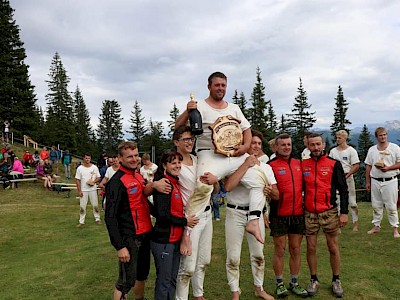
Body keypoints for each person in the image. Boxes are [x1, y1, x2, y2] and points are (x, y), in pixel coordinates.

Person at [175, 71, 268, 243]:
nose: (220, 88)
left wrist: (246, 146)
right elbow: (177, 127)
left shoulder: (234, 108)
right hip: (209, 153)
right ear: (209, 86)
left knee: (260, 179)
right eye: (217, 85)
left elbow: (246, 130)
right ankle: (188, 230)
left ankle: (254, 221)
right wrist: (188, 111)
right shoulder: (199, 106)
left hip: (235, 153)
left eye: (223, 85)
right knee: (203, 185)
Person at [105, 141, 167, 300]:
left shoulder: (139, 176)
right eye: (129, 157)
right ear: (119, 158)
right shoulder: (116, 182)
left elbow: (145, 202)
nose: (134, 159)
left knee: (142, 275)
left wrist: (163, 216)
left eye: (136, 155)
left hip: (146, 234)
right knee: (126, 280)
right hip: (130, 238)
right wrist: (120, 246)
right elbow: (110, 217)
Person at [223, 134, 278, 300]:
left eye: (259, 143)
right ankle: (235, 291)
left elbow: (276, 194)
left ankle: (259, 288)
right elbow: (228, 186)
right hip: (235, 212)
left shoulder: (266, 168)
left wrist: (270, 192)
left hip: (256, 214)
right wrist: (246, 165)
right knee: (233, 256)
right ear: (245, 145)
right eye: (252, 142)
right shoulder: (233, 163)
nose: (255, 146)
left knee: (258, 255)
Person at [174, 125, 219, 300]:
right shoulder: (175, 165)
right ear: (176, 142)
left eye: (191, 139)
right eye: (185, 139)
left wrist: (215, 181)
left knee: (204, 260)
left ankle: (198, 294)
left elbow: (214, 191)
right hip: (191, 218)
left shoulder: (199, 159)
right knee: (188, 267)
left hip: (207, 214)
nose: (189, 142)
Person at [302, 133, 349, 298]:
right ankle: (313, 279)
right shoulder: (304, 165)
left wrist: (344, 213)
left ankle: (336, 280)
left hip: (329, 211)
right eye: (312, 145)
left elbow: (343, 189)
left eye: (318, 144)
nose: (315, 148)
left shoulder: (334, 164)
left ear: (323, 145)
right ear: (308, 146)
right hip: (309, 212)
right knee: (311, 247)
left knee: (333, 247)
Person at [150, 151, 199, 300]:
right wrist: (185, 222)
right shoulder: (165, 183)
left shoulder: (175, 182)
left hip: (175, 240)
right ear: (165, 165)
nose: (177, 165)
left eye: (179, 162)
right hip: (164, 240)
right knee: (164, 281)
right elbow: (163, 215)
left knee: (172, 280)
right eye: (173, 163)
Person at [268, 133, 308, 298]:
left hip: (298, 213)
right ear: (276, 147)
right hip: (279, 214)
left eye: (289, 144)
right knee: (279, 249)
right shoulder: (270, 165)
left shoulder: (299, 163)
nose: (286, 147)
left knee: (296, 249)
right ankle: (279, 283)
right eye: (283, 145)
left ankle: (294, 282)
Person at [364, 127, 400, 238]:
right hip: (375, 180)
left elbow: (399, 163)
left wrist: (388, 168)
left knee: (391, 205)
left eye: (384, 134)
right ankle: (376, 226)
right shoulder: (372, 150)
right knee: (376, 204)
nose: (383, 137)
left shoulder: (394, 148)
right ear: (376, 137)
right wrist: (367, 181)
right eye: (380, 135)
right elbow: (368, 166)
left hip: (390, 180)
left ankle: (395, 229)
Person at [329, 130, 360, 232]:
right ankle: (338, 225)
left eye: (340, 138)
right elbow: (330, 164)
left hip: (348, 177)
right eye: (337, 137)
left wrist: (348, 174)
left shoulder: (351, 151)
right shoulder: (333, 151)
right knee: (337, 201)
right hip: (336, 179)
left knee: (352, 202)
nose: (338, 139)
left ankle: (355, 223)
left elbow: (356, 165)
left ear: (345, 138)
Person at [75, 153, 101, 227]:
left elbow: (98, 177)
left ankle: (97, 218)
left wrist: (93, 182)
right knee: (82, 206)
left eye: (89, 158)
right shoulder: (80, 168)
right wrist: (79, 191)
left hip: (92, 189)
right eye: (86, 158)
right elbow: (77, 180)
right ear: (83, 158)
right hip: (84, 190)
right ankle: (81, 221)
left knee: (95, 204)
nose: (87, 160)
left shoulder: (94, 167)